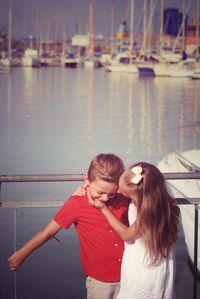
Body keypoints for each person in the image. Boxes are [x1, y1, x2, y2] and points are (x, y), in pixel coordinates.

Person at [8, 153, 130, 299]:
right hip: (100, 280)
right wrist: (22, 254)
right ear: (87, 180)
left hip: (130, 273)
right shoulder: (77, 203)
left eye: (111, 194)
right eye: (100, 192)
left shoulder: (124, 197)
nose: (105, 198)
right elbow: (48, 232)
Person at [88, 162, 180, 299]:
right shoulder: (166, 206)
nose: (118, 192)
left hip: (144, 270)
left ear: (141, 196)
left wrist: (103, 209)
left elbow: (127, 235)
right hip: (159, 267)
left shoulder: (148, 214)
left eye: (126, 194)